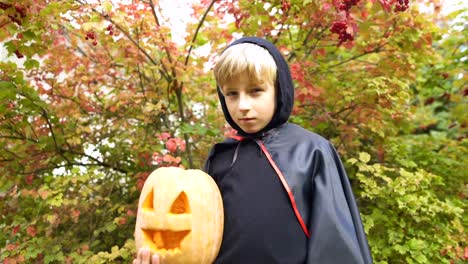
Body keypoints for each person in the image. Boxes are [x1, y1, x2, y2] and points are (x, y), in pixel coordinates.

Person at [134, 37, 373, 264]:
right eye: (232, 94)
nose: (243, 106)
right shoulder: (221, 158)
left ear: (279, 89)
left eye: (256, 91)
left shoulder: (310, 151)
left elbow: (335, 243)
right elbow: (200, 244)